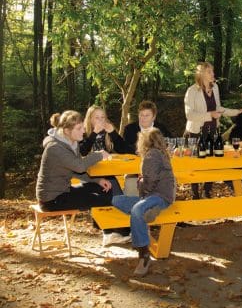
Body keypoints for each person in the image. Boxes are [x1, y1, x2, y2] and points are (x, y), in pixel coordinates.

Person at [112, 128, 176, 276]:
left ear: (144, 142)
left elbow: (150, 182)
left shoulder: (151, 155)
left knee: (136, 210)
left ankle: (143, 254)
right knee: (117, 200)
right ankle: (149, 210)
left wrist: (140, 183)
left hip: (159, 197)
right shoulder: (160, 154)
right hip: (153, 197)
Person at [184, 62, 242, 199]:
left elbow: (218, 107)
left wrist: (237, 112)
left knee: (211, 164)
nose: (213, 74)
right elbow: (189, 115)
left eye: (212, 71)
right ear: (201, 74)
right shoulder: (192, 91)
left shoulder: (215, 87)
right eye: (209, 72)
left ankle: (207, 191)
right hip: (195, 132)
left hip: (212, 131)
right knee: (195, 164)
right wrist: (209, 115)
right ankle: (195, 194)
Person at [36, 110, 112, 212]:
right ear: (67, 131)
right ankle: (108, 226)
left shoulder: (71, 143)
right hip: (51, 199)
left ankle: (106, 226)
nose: (83, 131)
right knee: (102, 201)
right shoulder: (55, 148)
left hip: (64, 191)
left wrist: (98, 180)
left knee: (103, 189)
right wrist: (99, 155)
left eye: (83, 127)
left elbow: (76, 171)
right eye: (79, 128)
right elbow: (79, 167)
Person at [80, 105, 131, 246]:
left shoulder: (108, 132)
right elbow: (82, 152)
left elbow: (124, 149)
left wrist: (113, 133)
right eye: (97, 117)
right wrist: (93, 134)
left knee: (117, 195)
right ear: (89, 119)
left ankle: (119, 231)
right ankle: (111, 232)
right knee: (107, 191)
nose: (101, 120)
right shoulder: (83, 132)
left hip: (107, 173)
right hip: (87, 176)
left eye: (103, 117)